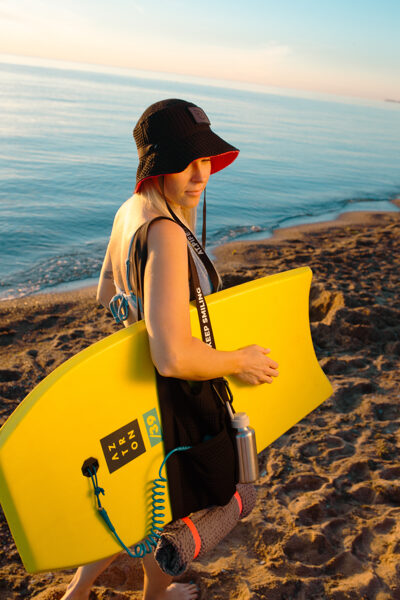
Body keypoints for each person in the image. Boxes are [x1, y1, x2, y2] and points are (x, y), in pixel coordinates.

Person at [61, 99, 279, 600]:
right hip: (169, 398)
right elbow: (174, 356)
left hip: (129, 388)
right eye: (187, 161)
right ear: (158, 165)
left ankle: (77, 594)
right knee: (173, 509)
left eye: (206, 161)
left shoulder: (130, 212)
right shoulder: (165, 233)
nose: (201, 175)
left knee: (131, 501)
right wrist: (239, 359)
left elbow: (108, 299)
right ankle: (156, 595)